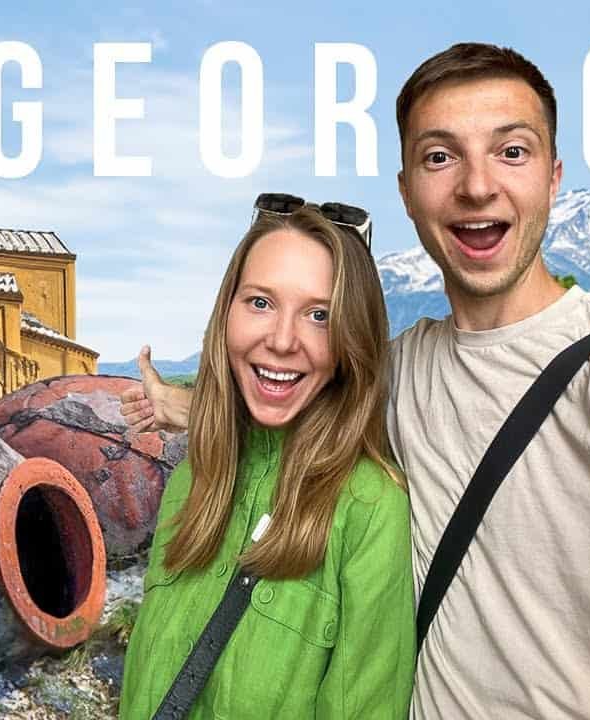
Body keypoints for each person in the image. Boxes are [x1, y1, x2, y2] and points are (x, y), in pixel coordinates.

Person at [123, 44, 590, 719]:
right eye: (441, 156)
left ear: (553, 177)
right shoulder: (398, 371)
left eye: (511, 152)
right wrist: (180, 405)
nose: (477, 186)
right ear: (408, 188)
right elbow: (296, 386)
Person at [118, 205, 415, 719]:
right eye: (260, 302)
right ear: (226, 313)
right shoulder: (195, 474)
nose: (281, 340)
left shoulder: (370, 508)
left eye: (319, 315)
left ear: (352, 340)